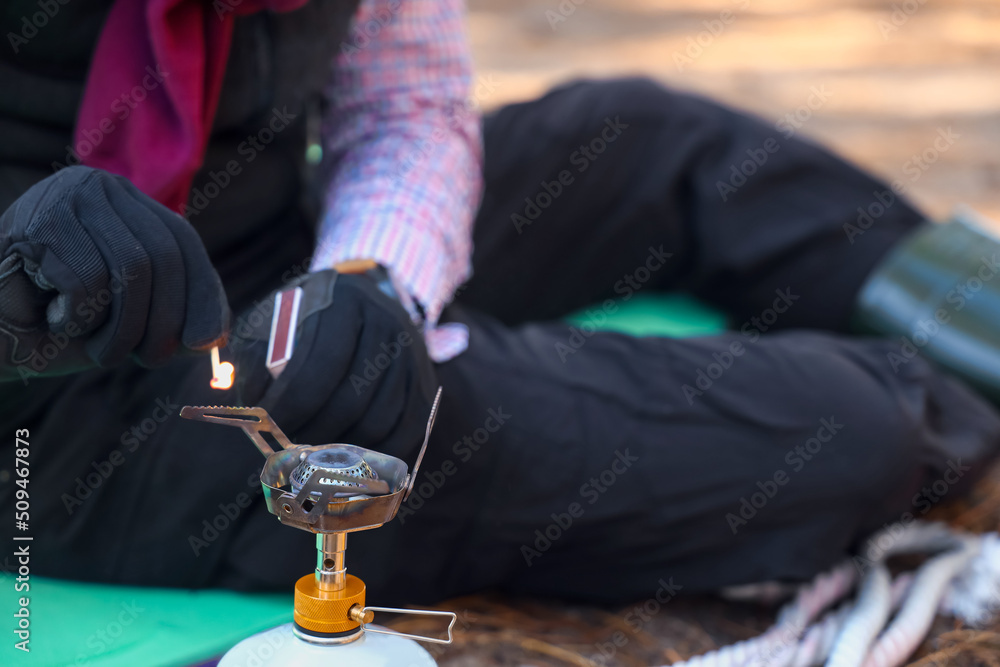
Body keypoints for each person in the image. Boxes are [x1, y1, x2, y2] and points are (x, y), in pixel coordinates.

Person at [1, 0, 998, 606]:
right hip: (59, 412)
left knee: (651, 141)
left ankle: (979, 326)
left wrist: (371, 281)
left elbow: (405, 108)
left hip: (270, 250)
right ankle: (941, 415)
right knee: (839, 432)